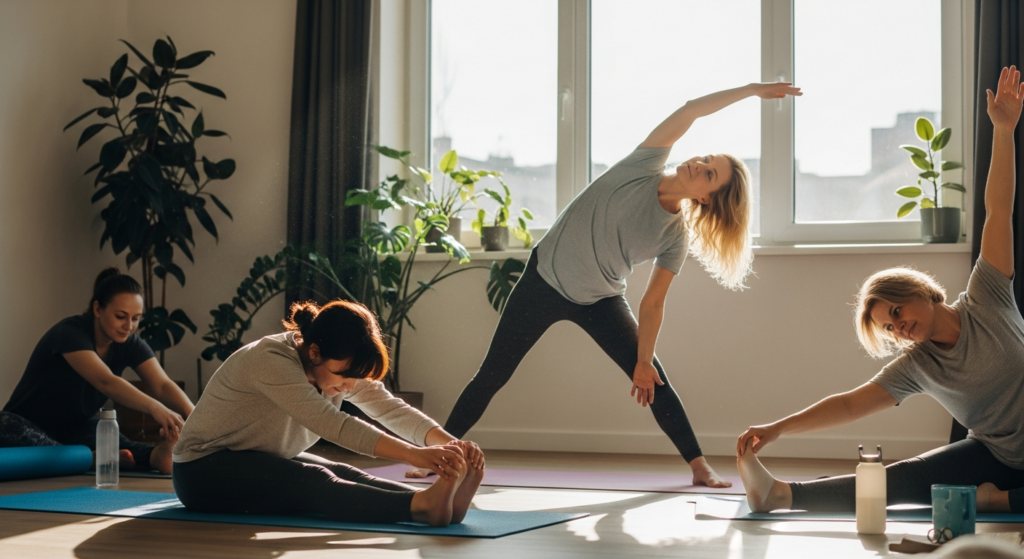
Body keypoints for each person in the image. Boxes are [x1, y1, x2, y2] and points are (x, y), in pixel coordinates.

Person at [428, 82, 802, 487]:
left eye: (709, 173)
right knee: (491, 374)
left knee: (654, 377)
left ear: (708, 198)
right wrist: (751, 90)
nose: (699, 163)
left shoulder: (675, 237)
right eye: (707, 158)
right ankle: (436, 458)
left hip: (600, 300)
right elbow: (691, 109)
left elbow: (653, 303)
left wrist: (643, 360)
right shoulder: (643, 163)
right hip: (543, 279)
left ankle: (699, 466)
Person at [736, 66, 1024, 514]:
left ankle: (998, 501)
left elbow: (998, 211)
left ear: (919, 291)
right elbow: (849, 406)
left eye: (895, 312)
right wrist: (777, 429)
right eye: (889, 329)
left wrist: (1003, 131)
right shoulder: (919, 365)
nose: (898, 328)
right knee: (904, 475)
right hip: (997, 456)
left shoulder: (987, 296)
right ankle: (781, 494)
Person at [172, 300, 486, 527]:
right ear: (314, 352)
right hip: (202, 471)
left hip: (258, 457)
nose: (349, 385)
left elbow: (389, 408)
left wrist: (451, 446)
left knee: (345, 472)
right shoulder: (270, 360)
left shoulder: (335, 364)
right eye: (344, 375)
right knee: (314, 480)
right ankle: (422, 507)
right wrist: (417, 456)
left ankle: (438, 502)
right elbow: (334, 424)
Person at [1, 268, 194, 474]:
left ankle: (156, 457)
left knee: (114, 440)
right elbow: (105, 381)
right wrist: (157, 409)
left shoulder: (130, 343)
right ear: (97, 309)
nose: (128, 326)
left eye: (136, 318)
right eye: (121, 316)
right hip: (27, 424)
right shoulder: (69, 333)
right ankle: (90, 459)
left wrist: (196, 417)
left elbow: (162, 385)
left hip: (77, 428)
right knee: (5, 426)